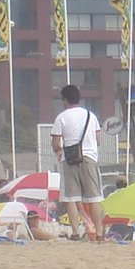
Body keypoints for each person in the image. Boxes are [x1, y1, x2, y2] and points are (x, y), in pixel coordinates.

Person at [50, 85, 104, 241]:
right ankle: (99, 233)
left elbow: (55, 143)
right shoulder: (90, 115)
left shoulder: (61, 117)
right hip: (89, 158)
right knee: (94, 198)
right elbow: (98, 139)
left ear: (65, 100)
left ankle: (75, 232)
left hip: (70, 159)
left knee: (71, 198)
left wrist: (59, 152)